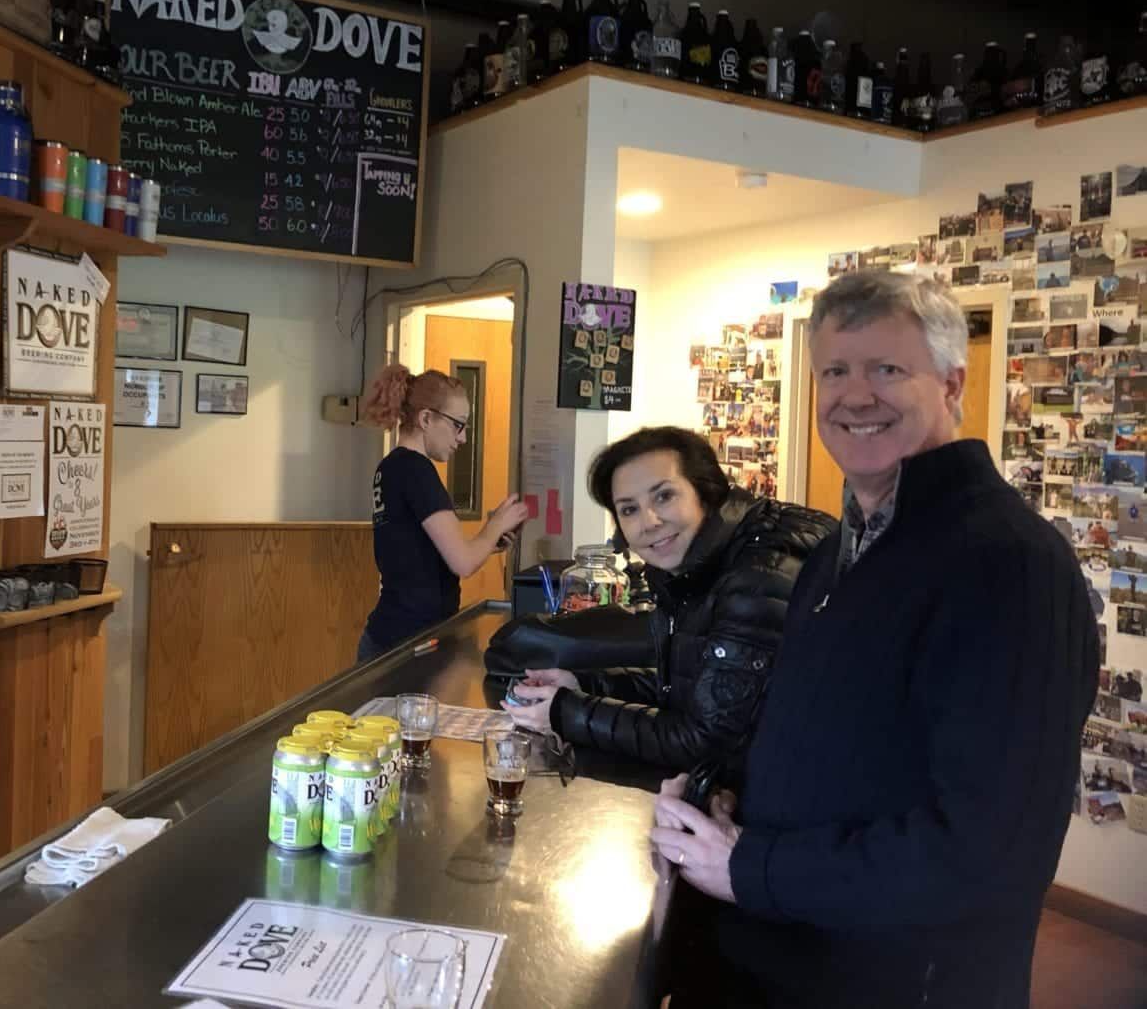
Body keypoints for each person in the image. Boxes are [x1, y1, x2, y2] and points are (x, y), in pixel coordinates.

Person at [650, 270, 1098, 1009]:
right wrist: (720, 795)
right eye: (835, 371)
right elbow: (831, 736)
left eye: (887, 369)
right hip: (778, 959)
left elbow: (985, 852)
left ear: (952, 385)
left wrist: (750, 867)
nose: (855, 396)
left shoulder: (1011, 564)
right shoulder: (838, 549)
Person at [507, 426, 834, 778]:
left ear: (706, 493)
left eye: (664, 497)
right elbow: (690, 688)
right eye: (629, 509)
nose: (648, 522)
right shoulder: (699, 565)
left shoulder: (759, 574)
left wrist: (564, 712)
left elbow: (705, 742)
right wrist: (583, 685)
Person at [356, 363, 529, 663]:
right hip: (407, 641)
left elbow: (424, 554)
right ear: (426, 418)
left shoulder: (391, 467)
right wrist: (496, 524)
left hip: (391, 635)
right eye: (457, 424)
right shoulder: (417, 471)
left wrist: (488, 540)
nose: (462, 438)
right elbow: (462, 562)